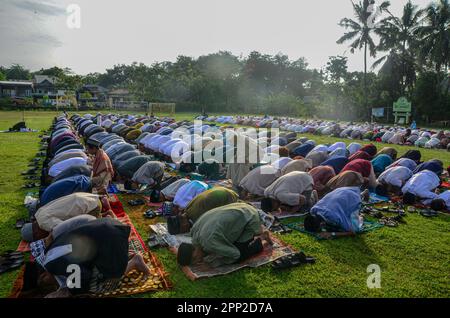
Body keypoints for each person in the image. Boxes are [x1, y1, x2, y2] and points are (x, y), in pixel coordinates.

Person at [32, 218, 150, 297]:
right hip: (106, 226)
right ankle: (124, 256)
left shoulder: (55, 265)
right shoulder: (50, 256)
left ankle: (135, 262)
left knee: (104, 283)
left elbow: (83, 275)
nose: (55, 286)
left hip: (111, 237)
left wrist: (68, 291)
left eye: (46, 282)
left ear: (44, 274)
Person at [177, 202, 273, 267]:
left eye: (195, 259)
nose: (198, 261)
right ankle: (257, 230)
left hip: (249, 217)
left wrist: (216, 262)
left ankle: (259, 240)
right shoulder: (194, 231)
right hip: (240, 206)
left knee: (239, 256)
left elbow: (235, 254)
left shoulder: (209, 243)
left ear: (194, 250)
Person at [21, 193, 114, 242]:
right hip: (88, 198)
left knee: (91, 232)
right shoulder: (38, 213)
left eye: (39, 238)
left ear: (36, 234)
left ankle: (108, 218)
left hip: (91, 206)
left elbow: (65, 229)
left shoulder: (44, 223)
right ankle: (105, 214)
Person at [167, 187, 239, 234]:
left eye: (183, 231)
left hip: (227, 196)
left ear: (183, 225)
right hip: (220, 190)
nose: (185, 232)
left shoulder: (197, 218)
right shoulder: (187, 210)